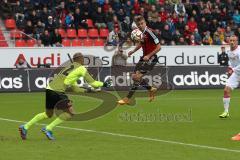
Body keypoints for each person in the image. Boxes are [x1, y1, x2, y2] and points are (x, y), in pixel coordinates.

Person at [19, 53, 112, 140]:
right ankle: (48, 128)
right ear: (80, 59)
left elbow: (75, 89)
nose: (84, 60)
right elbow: (93, 83)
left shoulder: (68, 68)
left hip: (49, 89)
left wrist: (89, 91)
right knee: (70, 113)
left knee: (48, 114)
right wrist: (104, 84)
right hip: (58, 91)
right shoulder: (81, 68)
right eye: (83, 59)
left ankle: (25, 127)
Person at [117, 15, 161, 105]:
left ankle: (127, 98)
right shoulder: (141, 33)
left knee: (136, 77)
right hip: (144, 58)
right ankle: (150, 89)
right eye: (139, 24)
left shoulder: (150, 33)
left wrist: (149, 56)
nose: (141, 25)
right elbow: (141, 44)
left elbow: (159, 47)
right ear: (137, 25)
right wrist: (132, 51)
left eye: (142, 23)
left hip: (151, 59)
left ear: (145, 23)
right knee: (135, 76)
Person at [219, 35, 239, 119]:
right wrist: (230, 68)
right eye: (230, 40)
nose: (232, 42)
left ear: (237, 41)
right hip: (237, 74)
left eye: (234, 40)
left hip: (236, 71)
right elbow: (232, 62)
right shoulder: (229, 52)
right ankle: (226, 112)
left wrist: (232, 69)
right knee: (226, 90)